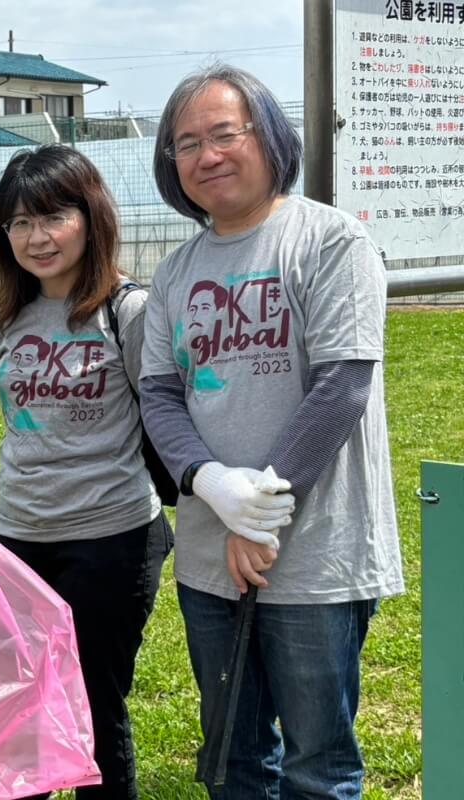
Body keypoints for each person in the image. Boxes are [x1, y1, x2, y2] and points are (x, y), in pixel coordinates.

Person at [139, 64, 404, 798]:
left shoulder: (332, 241)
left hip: (316, 554)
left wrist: (262, 513)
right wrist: (211, 484)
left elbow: (342, 384)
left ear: (269, 136)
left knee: (318, 765)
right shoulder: (175, 272)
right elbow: (160, 394)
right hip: (205, 557)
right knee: (233, 756)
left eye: (225, 133)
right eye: (185, 144)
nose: (206, 156)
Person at [0, 143, 173, 800]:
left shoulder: (129, 311)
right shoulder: (6, 316)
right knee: (20, 706)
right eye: (19, 223)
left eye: (53, 217)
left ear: (90, 217)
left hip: (112, 536)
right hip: (20, 533)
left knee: (93, 704)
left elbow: (166, 414)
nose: (37, 238)